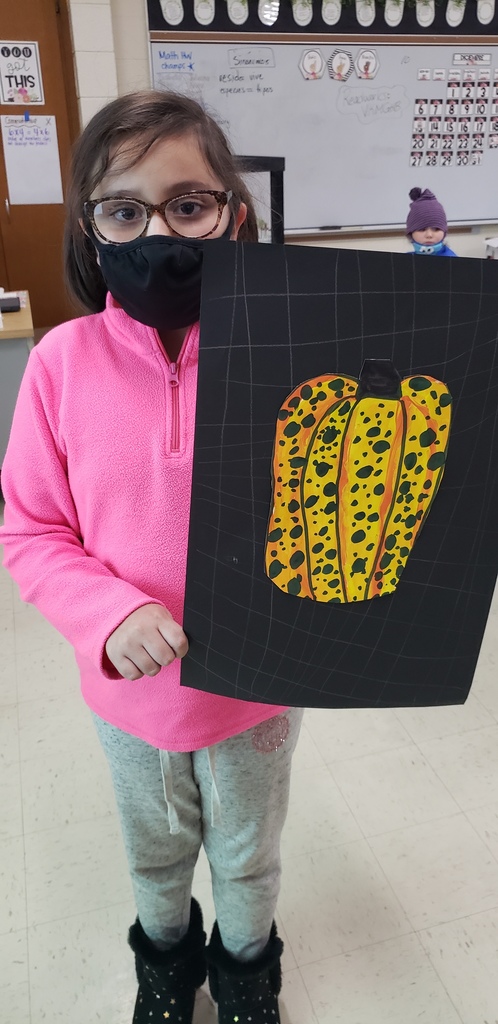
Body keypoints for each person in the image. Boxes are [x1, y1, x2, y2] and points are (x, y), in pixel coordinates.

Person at [0, 90, 304, 1024]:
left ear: (234, 216)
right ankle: (165, 968)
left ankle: (246, 974)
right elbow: (29, 528)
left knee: (248, 854)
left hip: (255, 689)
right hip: (132, 697)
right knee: (157, 851)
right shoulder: (59, 365)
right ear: (91, 232)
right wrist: (106, 613)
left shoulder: (289, 354)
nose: (158, 232)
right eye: (125, 210)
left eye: (189, 204)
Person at [406, 187, 457, 256]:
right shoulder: (405, 260)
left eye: (436, 229)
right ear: (411, 233)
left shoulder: (451, 260)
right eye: (422, 229)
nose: (429, 235)